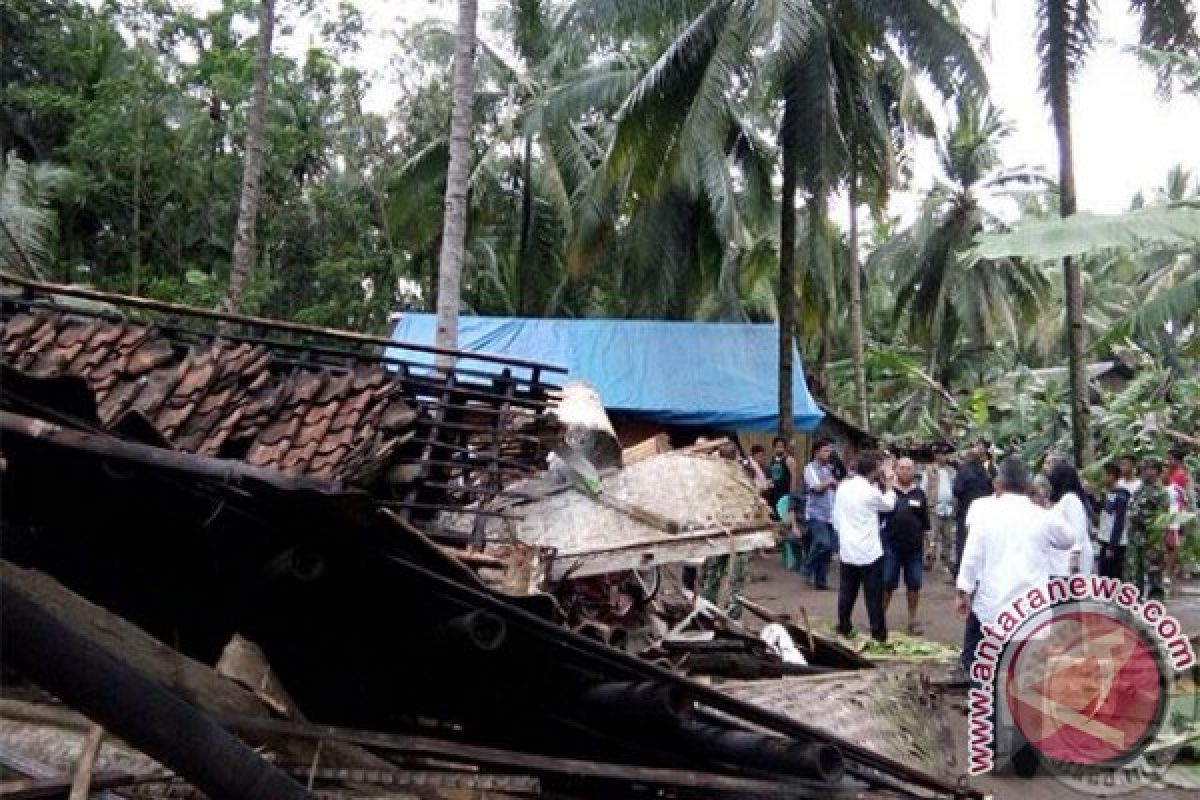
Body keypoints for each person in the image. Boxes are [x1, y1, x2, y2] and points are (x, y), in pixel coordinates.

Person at [956, 457, 1075, 674]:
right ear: (1028, 486)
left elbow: (971, 556)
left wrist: (964, 590)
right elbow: (1068, 539)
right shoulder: (1043, 517)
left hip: (993, 604)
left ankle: (988, 702)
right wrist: (1047, 508)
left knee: (988, 666)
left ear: (998, 483)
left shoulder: (985, 514)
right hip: (1030, 606)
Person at [831, 451, 895, 642]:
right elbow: (889, 505)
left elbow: (835, 517)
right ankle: (878, 633)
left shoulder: (843, 487)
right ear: (874, 471)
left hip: (848, 548)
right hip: (868, 552)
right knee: (873, 596)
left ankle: (844, 625)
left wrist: (842, 536)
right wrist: (890, 487)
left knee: (846, 592)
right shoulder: (870, 491)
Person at [882, 457, 930, 634]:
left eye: (908, 468)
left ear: (914, 471)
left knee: (914, 584)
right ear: (896, 470)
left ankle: (912, 620)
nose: (905, 471)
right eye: (901, 468)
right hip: (891, 547)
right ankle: (880, 618)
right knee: (887, 582)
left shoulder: (919, 494)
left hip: (914, 549)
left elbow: (925, 524)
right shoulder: (888, 492)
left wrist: (929, 545)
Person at [1126, 458, 1170, 601]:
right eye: (1144, 469)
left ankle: (1155, 602)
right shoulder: (1140, 489)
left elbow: (1161, 517)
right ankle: (1135, 600)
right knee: (1135, 570)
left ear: (1157, 471)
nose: (1145, 472)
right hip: (1135, 537)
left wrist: (1140, 518)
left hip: (1152, 539)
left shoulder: (1161, 492)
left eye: (1149, 469)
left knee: (1154, 572)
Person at [801, 439, 838, 589]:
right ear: (816, 452)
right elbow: (816, 487)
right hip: (816, 514)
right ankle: (806, 567)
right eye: (826, 450)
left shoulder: (828, 468)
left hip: (829, 514)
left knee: (829, 549)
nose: (829, 453)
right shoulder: (810, 468)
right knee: (823, 543)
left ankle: (820, 582)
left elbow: (833, 488)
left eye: (829, 451)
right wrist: (830, 482)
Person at [1047, 462, 1095, 576]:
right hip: (1062, 560)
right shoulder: (1062, 499)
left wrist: (1075, 554)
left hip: (1071, 560)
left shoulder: (1071, 499)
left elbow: (1079, 528)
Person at [952, 447, 994, 574]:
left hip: (966, 511)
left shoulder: (963, 472)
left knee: (963, 542)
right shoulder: (986, 472)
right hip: (983, 512)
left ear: (968, 458)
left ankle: (960, 571)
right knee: (980, 541)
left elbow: (957, 490)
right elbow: (991, 490)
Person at [920, 447, 956, 574]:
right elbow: (923, 488)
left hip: (948, 508)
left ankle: (946, 562)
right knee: (932, 537)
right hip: (934, 507)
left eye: (945, 454)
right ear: (936, 455)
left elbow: (955, 487)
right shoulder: (929, 470)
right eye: (941, 454)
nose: (944, 457)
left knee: (948, 537)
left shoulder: (951, 471)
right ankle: (929, 560)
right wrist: (924, 505)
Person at [1096, 462, 1132, 579]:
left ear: (1111, 476)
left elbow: (1119, 522)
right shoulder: (1108, 494)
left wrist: (1112, 546)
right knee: (1103, 575)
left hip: (1115, 542)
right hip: (1105, 539)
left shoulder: (1121, 496)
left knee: (1113, 575)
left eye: (1104, 475)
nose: (1102, 478)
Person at [766, 437, 798, 520]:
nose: (779, 449)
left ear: (785, 448)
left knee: (784, 518)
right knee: (774, 517)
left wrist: (792, 495)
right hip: (774, 494)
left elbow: (794, 478)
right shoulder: (772, 460)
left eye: (781, 447)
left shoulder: (789, 460)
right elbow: (771, 475)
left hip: (785, 494)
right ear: (773, 448)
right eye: (777, 447)